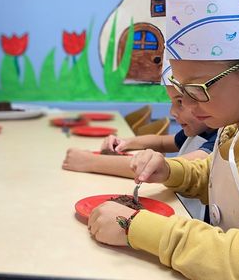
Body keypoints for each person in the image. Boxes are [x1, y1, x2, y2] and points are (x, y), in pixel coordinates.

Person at [87, 0, 239, 279]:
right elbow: (220, 177)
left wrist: (139, 228)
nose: (186, 106)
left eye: (197, 90)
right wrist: (171, 170)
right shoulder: (238, 123)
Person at [63, 56, 216, 220]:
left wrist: (90, 161)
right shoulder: (200, 131)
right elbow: (163, 142)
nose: (172, 111)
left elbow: (169, 168)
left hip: (189, 220)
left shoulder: (217, 138)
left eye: (180, 102)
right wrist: (127, 142)